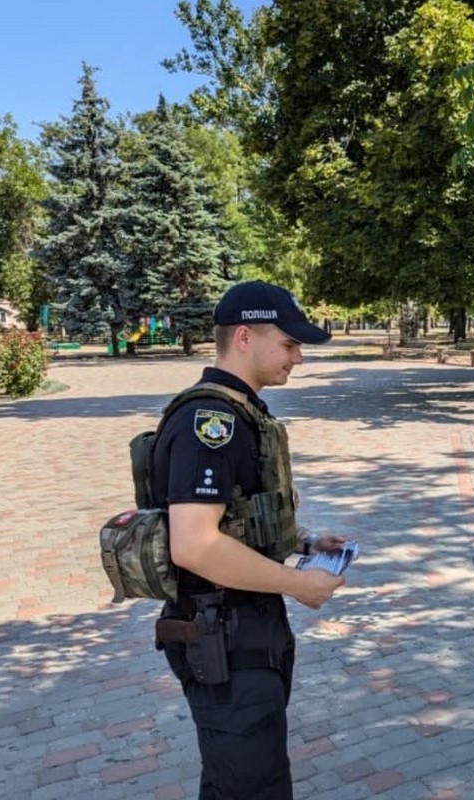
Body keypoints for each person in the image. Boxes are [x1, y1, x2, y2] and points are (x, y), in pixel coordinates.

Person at [153, 280, 346, 800]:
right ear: (244, 337)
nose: (298, 358)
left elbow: (235, 519)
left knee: (232, 782)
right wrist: (297, 585)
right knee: (254, 787)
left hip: (245, 629)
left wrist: (303, 542)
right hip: (223, 636)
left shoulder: (241, 410)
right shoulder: (209, 421)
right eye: (289, 344)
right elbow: (193, 546)